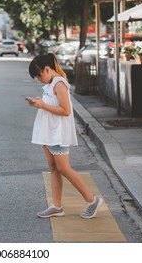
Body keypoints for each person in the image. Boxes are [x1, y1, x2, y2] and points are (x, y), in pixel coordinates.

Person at [26, 53, 103, 219]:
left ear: (47, 69)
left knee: (63, 168)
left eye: (39, 75)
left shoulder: (59, 83)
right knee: (53, 168)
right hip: (48, 131)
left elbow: (66, 110)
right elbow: (52, 104)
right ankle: (56, 206)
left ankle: (91, 200)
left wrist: (43, 105)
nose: (39, 79)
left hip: (57, 133)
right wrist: (38, 103)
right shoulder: (50, 83)